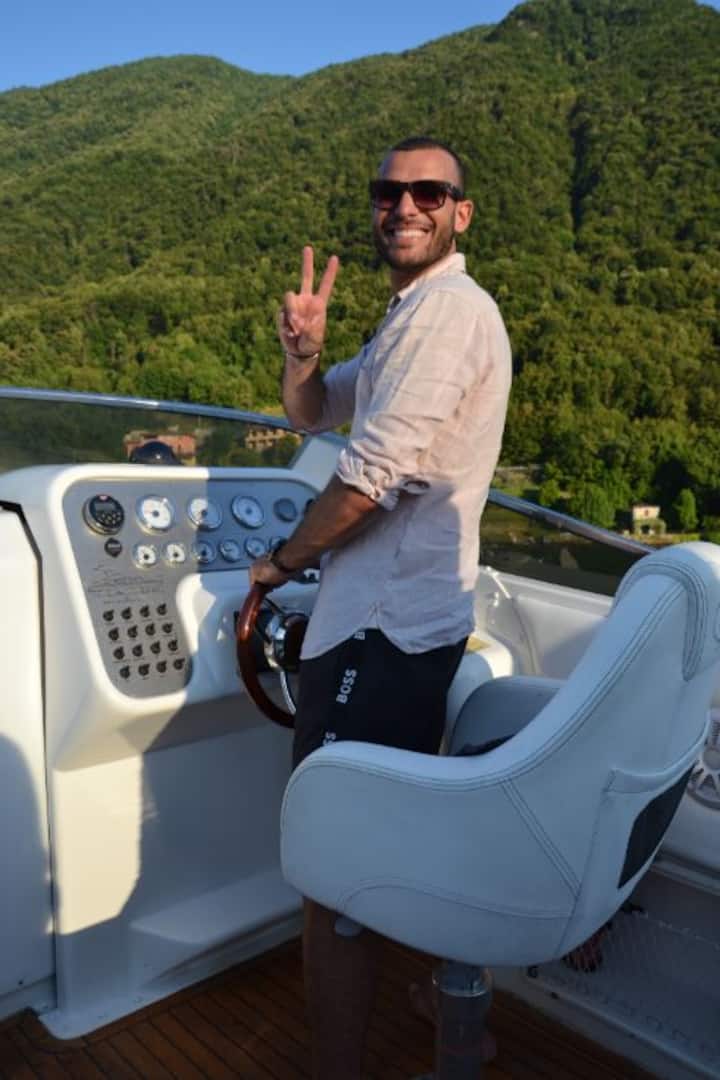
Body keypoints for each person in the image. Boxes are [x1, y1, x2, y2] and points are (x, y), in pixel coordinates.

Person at [249, 135, 512, 1079]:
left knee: (334, 871)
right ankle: (446, 998)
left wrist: (278, 564)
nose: (404, 206)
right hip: (396, 627)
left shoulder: (449, 316)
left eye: (428, 192)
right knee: (382, 844)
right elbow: (312, 413)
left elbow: (367, 479)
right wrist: (304, 354)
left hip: (380, 633)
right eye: (389, 191)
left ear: (460, 213)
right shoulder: (407, 320)